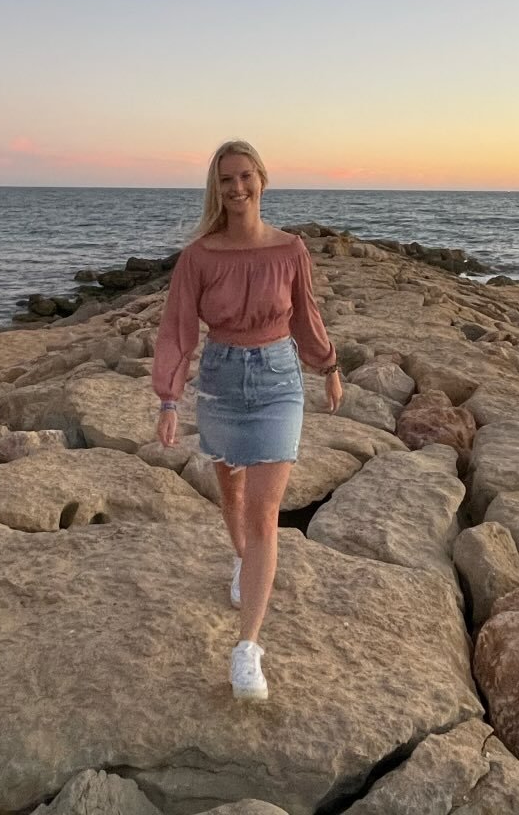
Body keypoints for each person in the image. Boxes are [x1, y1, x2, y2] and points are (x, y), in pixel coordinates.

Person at [152, 139, 342, 701]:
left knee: (264, 516)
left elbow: (305, 315)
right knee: (231, 497)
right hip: (221, 381)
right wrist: (168, 399)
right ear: (216, 189)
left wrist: (329, 364)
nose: (237, 188)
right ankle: (244, 563)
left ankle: (247, 648)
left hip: (279, 381)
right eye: (226, 179)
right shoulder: (199, 257)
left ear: (262, 179)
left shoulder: (290, 249)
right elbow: (177, 329)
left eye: (245, 176)